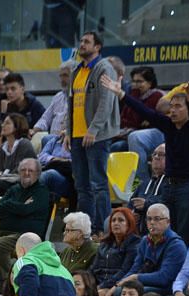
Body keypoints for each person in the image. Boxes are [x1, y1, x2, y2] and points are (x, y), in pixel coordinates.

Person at [101, 66, 189, 245]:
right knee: (162, 235)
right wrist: (121, 94)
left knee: (183, 236)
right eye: (171, 106)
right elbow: (146, 111)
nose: (172, 111)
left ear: (188, 109)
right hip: (169, 186)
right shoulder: (169, 125)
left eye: (178, 107)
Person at [65, 32, 119, 234]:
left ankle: (103, 230)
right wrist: (68, 132)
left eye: (86, 42)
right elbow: (71, 104)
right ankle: (85, 230)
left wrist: (93, 129)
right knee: (82, 186)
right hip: (78, 135)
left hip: (96, 135)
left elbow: (107, 102)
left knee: (98, 185)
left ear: (98, 47)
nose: (82, 45)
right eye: (80, 41)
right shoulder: (76, 70)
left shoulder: (104, 68)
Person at [0, 158, 49, 289]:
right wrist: (17, 207)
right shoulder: (13, 189)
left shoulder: (41, 192)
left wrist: (9, 207)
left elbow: (27, 210)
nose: (26, 173)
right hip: (2, 232)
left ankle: (7, 281)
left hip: (25, 236)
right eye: (23, 170)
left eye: (30, 170)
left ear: (37, 173)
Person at [107, 204, 187, 296]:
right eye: (149, 219)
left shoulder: (176, 245)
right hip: (146, 284)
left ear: (168, 222)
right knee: (120, 291)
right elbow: (134, 269)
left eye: (157, 219)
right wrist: (118, 284)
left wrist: (136, 278)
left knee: (128, 294)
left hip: (167, 288)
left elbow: (164, 278)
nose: (152, 222)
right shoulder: (145, 240)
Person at [112, 66, 164, 184]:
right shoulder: (133, 96)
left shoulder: (157, 96)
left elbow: (138, 120)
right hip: (126, 133)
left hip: (147, 137)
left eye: (139, 81)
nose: (135, 84)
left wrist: (134, 97)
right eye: (134, 81)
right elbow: (124, 120)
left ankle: (141, 183)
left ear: (150, 83)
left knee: (116, 147)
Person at [90, 207, 140, 296]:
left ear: (129, 223)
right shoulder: (104, 243)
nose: (116, 223)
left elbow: (125, 271)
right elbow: (93, 269)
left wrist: (102, 286)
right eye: (113, 220)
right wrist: (86, 283)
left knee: (101, 294)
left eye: (121, 220)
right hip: (101, 283)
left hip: (119, 283)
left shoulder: (135, 243)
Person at [0, 113, 37, 195]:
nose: (2, 125)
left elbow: (19, 170)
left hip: (23, 181)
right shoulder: (3, 147)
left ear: (17, 126)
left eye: (7, 123)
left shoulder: (24, 144)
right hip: (5, 180)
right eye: (3, 122)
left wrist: (1, 176)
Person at [30, 61, 73, 143]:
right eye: (60, 76)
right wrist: (34, 130)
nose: (62, 79)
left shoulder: (80, 96)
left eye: (65, 75)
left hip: (68, 140)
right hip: (53, 140)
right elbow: (45, 119)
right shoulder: (58, 97)